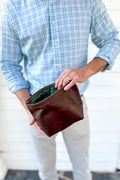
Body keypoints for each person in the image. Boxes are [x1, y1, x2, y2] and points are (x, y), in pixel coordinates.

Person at [1, 0, 120, 179]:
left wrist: (85, 71)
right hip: (37, 111)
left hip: (76, 103)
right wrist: (31, 110)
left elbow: (111, 40)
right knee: (46, 171)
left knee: (82, 170)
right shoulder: (14, 7)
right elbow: (9, 64)